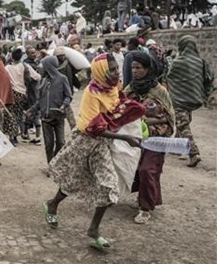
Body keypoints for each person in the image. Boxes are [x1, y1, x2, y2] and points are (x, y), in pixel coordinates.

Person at [43, 54, 145, 251]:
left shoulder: (113, 87)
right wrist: (126, 138)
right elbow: (92, 127)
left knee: (109, 186)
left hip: (101, 145)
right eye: (112, 70)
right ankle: (52, 204)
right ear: (101, 71)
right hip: (85, 140)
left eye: (117, 68)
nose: (116, 73)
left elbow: (117, 107)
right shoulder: (92, 92)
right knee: (73, 179)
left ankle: (93, 230)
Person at [124, 52, 175, 224]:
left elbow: (169, 117)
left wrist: (147, 120)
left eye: (138, 68)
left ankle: (145, 209)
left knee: (148, 170)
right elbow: (120, 109)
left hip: (156, 137)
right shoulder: (130, 89)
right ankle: (142, 197)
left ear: (148, 69)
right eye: (133, 68)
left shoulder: (160, 91)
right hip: (135, 137)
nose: (135, 71)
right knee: (134, 169)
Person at [166, 35, 214, 168]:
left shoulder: (177, 62)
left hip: (179, 98)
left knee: (183, 124)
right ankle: (176, 146)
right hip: (194, 98)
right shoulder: (201, 61)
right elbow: (209, 78)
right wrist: (204, 93)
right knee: (184, 120)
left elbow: (169, 77)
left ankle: (193, 153)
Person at [28, 56, 72, 163]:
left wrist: (63, 105)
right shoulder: (43, 81)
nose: (42, 68)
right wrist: (32, 110)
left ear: (49, 67)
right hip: (46, 118)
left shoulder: (62, 79)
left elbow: (68, 96)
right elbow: (40, 100)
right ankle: (50, 165)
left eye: (44, 66)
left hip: (59, 116)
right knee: (49, 144)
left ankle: (55, 162)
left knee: (61, 142)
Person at [54, 46, 80, 130]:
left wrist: (77, 84)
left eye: (63, 55)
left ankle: (72, 126)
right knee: (66, 108)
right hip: (58, 91)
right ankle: (72, 126)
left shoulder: (68, 64)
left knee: (66, 107)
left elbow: (73, 75)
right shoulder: (53, 66)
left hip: (67, 90)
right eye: (59, 56)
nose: (61, 57)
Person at [23, 46, 42, 144]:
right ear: (27, 54)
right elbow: (29, 79)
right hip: (31, 92)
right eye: (32, 53)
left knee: (31, 112)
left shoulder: (36, 63)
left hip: (37, 91)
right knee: (34, 112)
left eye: (35, 52)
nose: (34, 54)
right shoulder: (26, 65)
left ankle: (26, 133)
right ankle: (37, 136)